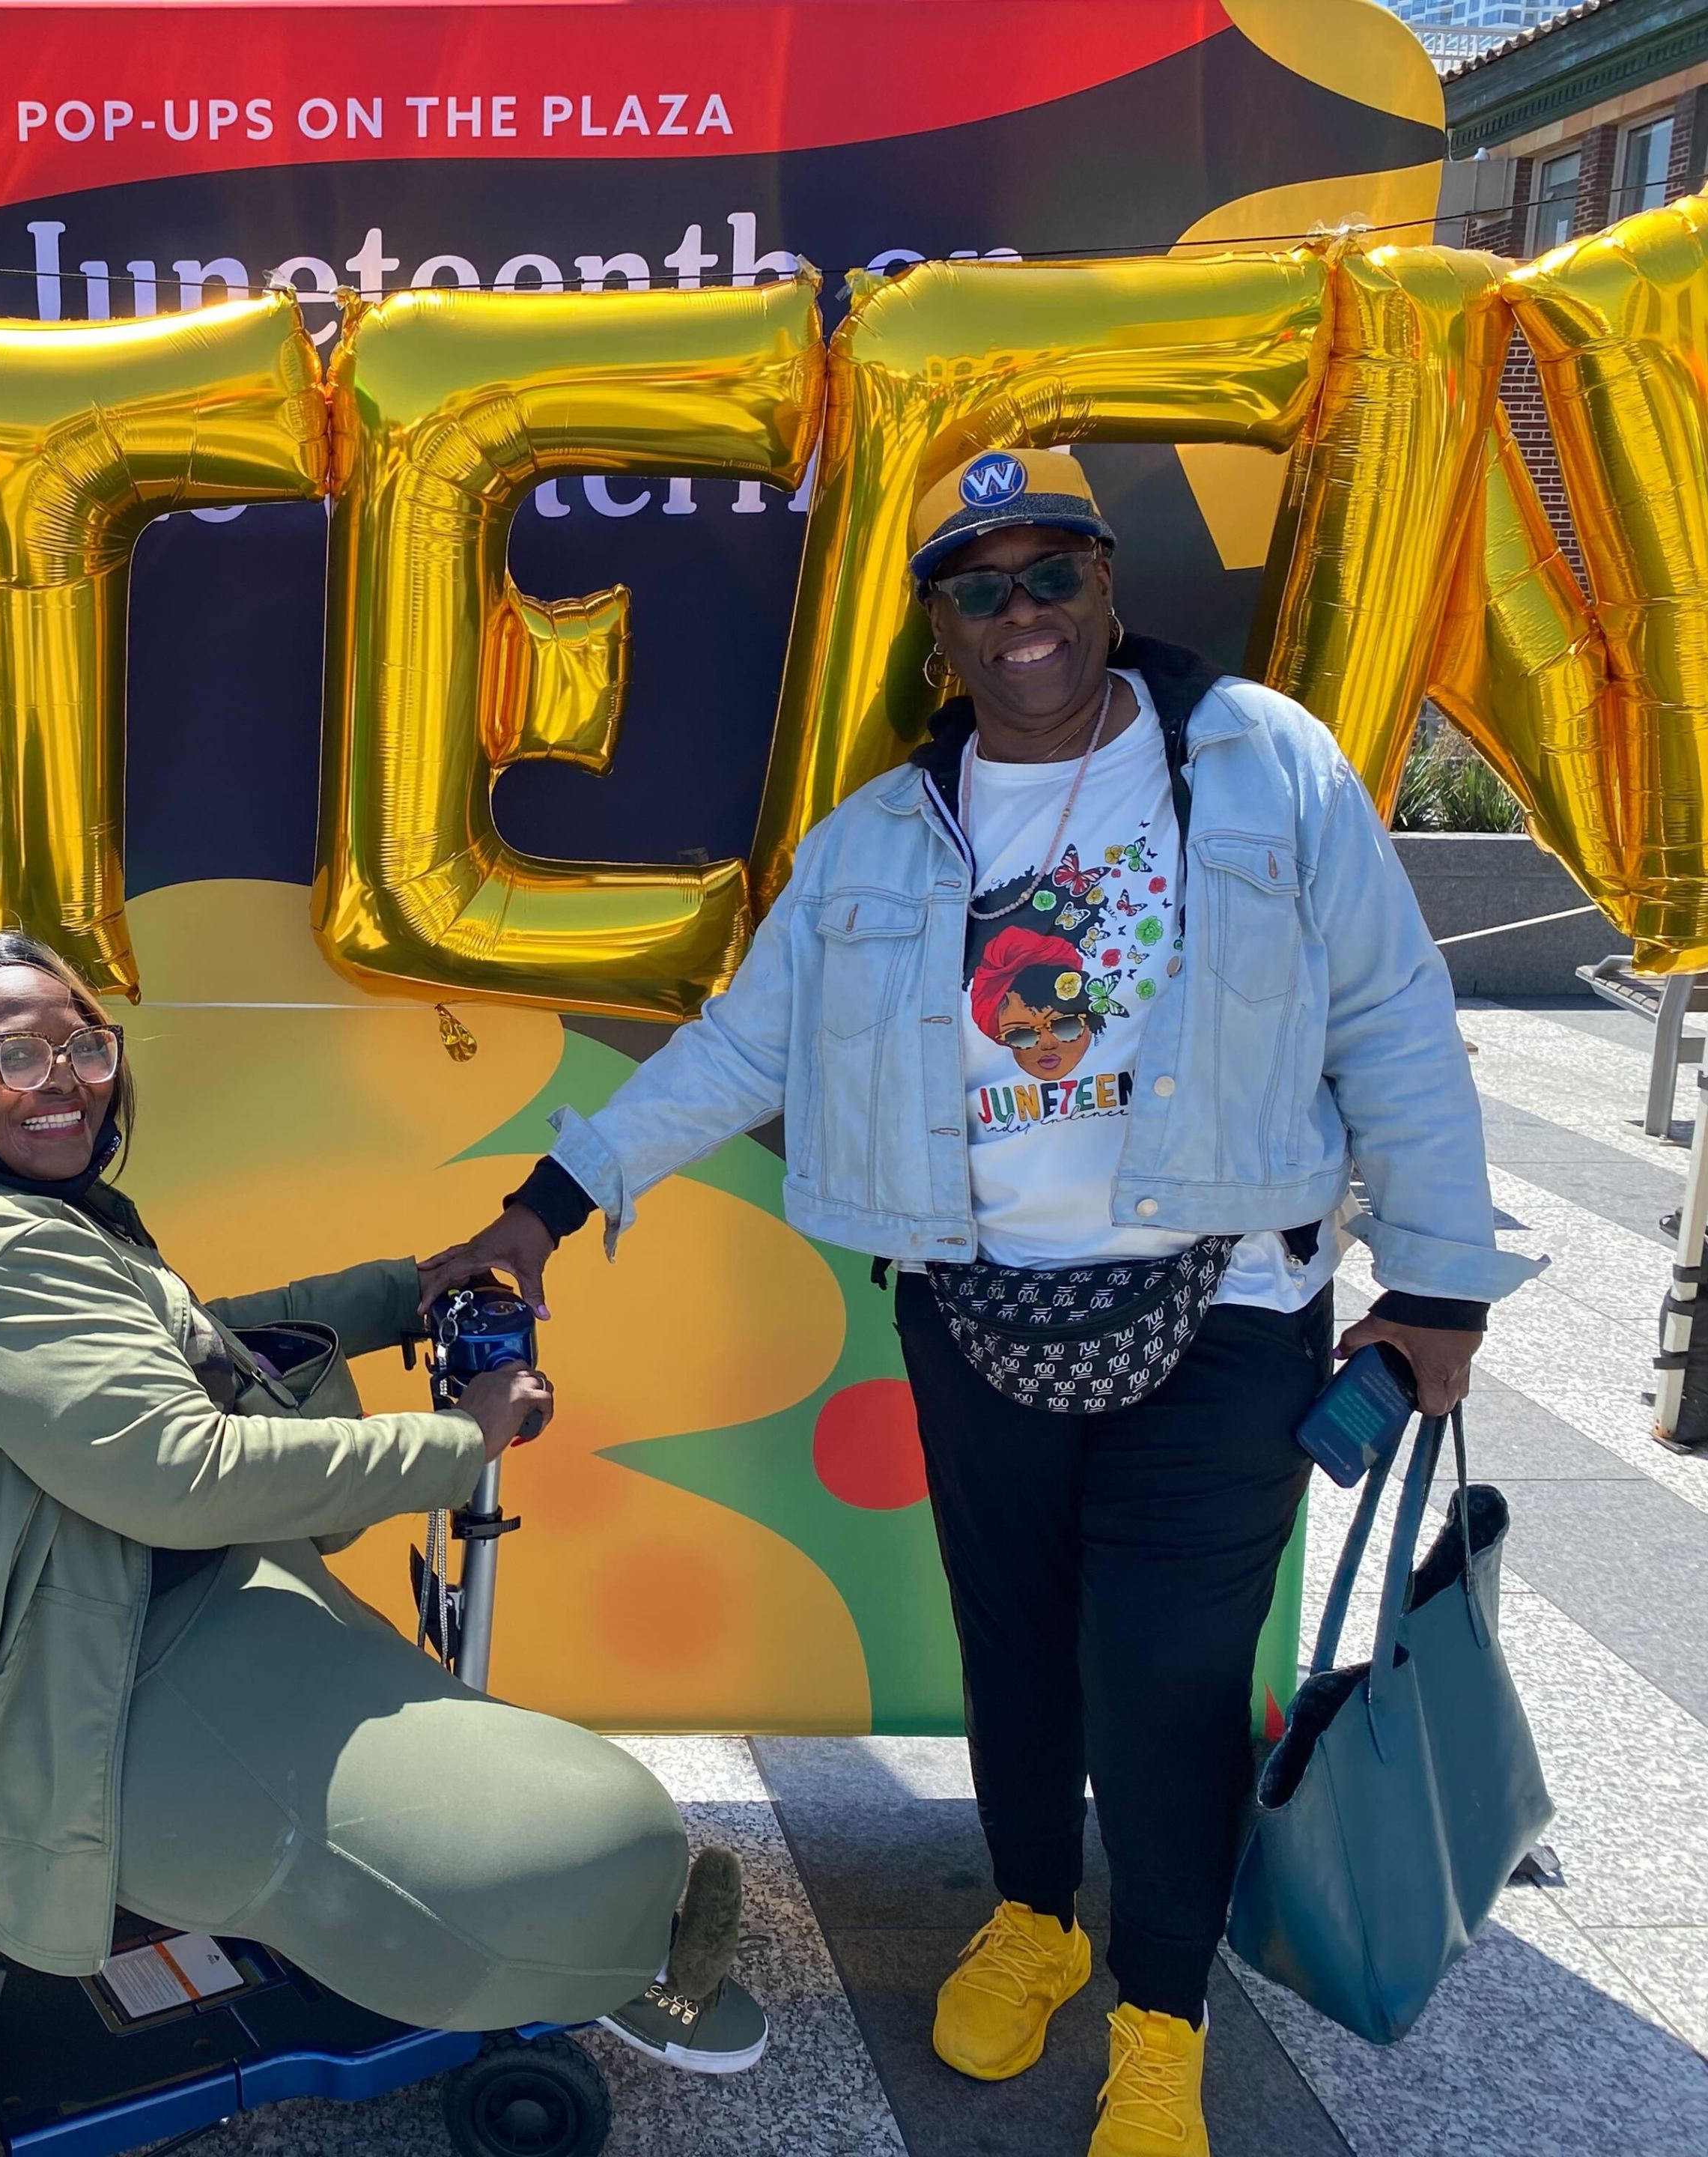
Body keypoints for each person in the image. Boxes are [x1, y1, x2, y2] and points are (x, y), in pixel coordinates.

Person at [434, 448, 1538, 2156]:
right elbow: (743, 1045)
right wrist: (547, 1207)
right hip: (978, 1315)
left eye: (1050, 576)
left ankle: (1160, 2015)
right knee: (1017, 1649)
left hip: (1230, 1305)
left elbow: (1388, 1014)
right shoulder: (882, 834)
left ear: (1107, 588)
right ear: (938, 629)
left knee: (1168, 1672)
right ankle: (1035, 1915)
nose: (1020, 616)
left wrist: (1442, 1285)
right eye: (979, 587)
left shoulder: (1265, 767)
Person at [0, 929, 771, 2074]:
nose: (63, 1081)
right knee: (595, 1840)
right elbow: (182, 1470)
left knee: (536, 1792)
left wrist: (407, 1292)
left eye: (83, 1047)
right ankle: (613, 1958)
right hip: (96, 1689)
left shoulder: (30, 1221)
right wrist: (461, 1437)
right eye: (15, 1053)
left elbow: (199, 1341)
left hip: (146, 1609)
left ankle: (591, 1931)